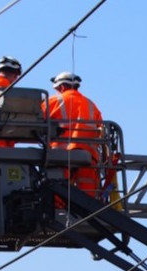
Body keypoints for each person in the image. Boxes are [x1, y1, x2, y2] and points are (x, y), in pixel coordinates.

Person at [41, 71, 104, 199]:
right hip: (88, 157)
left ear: (62, 87)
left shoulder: (52, 101)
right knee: (88, 198)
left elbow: (36, 122)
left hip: (60, 155)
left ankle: (58, 210)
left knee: (58, 191)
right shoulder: (91, 105)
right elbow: (102, 130)